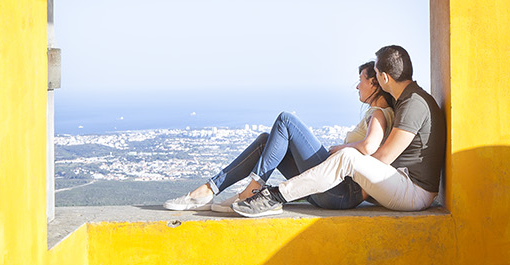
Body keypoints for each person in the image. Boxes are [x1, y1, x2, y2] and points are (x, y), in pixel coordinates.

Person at [233, 44, 443, 216]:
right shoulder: (408, 99)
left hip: (413, 191)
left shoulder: (413, 103)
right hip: (405, 185)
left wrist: (347, 172)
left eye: (377, 74)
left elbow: (384, 157)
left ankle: (274, 196)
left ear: (385, 78)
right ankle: (266, 194)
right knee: (347, 157)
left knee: (349, 157)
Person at [163, 62, 393, 212]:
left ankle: (250, 191)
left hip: (340, 192)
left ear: (374, 83)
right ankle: (209, 190)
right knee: (266, 140)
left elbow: (370, 146)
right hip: (332, 192)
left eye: (360, 79)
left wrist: (341, 149)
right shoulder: (376, 114)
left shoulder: (380, 114)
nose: (357, 86)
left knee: (286, 120)